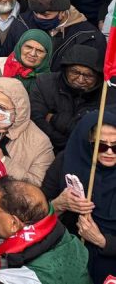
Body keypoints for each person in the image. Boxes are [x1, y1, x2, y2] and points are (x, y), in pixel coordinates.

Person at [50, 107, 116, 283]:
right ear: (88, 142)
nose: (109, 152)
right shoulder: (67, 160)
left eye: (115, 146)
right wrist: (58, 205)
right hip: (64, 256)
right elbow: (34, 213)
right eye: (101, 146)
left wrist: (103, 241)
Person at [29, 45, 103, 153]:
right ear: (65, 70)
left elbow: (93, 132)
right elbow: (37, 120)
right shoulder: (44, 83)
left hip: (85, 153)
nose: (81, 79)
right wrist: (67, 143)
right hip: (43, 147)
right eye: (75, 72)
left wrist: (56, 119)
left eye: (89, 75)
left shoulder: (105, 94)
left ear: (98, 77)